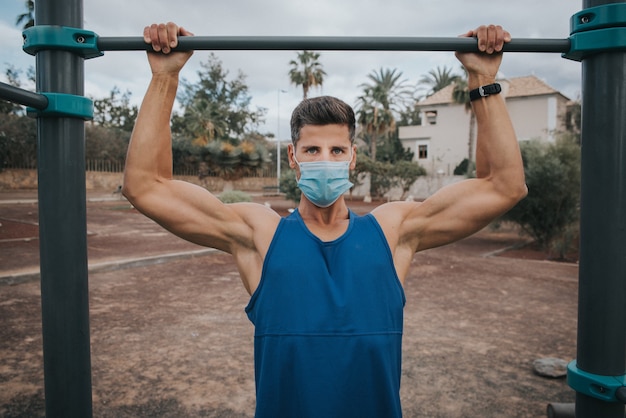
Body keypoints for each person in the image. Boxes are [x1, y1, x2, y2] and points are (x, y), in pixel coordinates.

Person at [123, 22, 527, 418]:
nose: (325, 160)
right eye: (312, 149)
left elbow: (504, 186)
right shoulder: (260, 233)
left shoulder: (392, 231)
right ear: (292, 158)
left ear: (353, 156)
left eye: (336, 150)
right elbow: (145, 186)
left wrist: (482, 78)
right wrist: (165, 77)